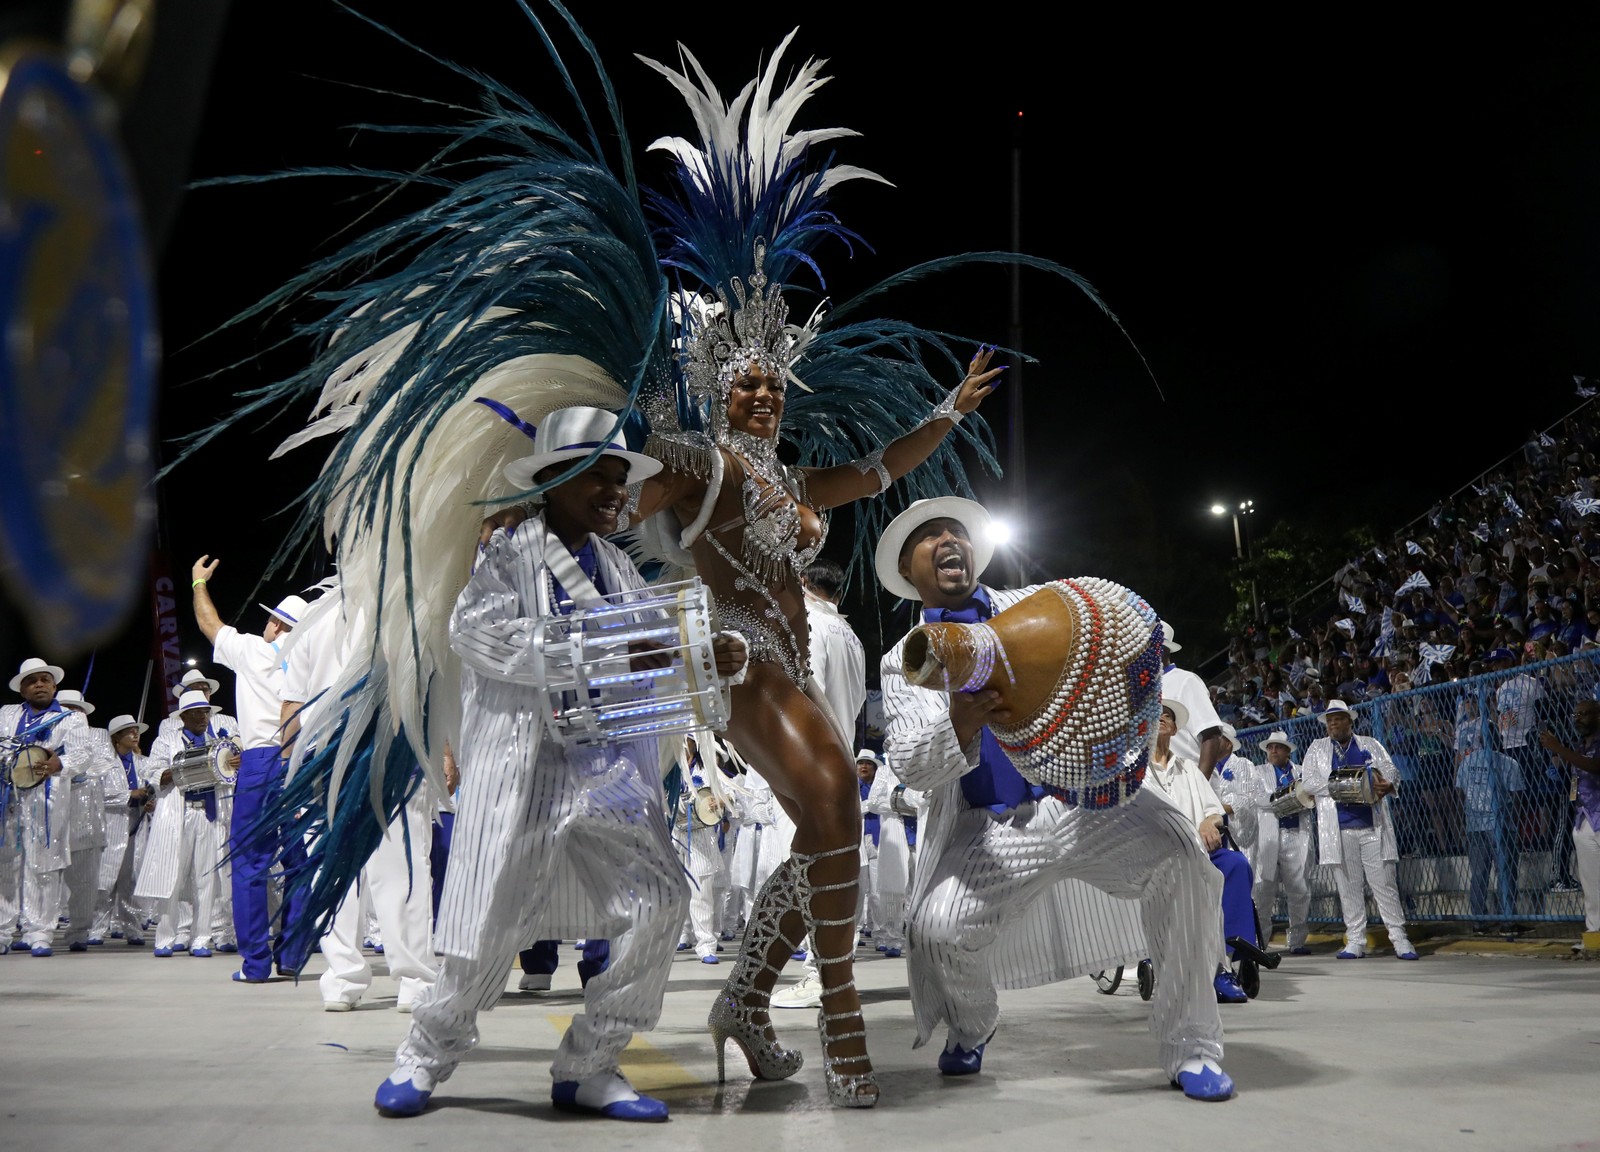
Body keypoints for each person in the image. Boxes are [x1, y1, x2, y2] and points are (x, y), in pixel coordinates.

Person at [629, 307, 1000, 1110]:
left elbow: (879, 470)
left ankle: (745, 1002)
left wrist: (948, 411)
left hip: (794, 669)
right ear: (717, 394)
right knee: (835, 804)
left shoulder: (789, 480)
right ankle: (840, 1017)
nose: (764, 394)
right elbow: (617, 502)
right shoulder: (702, 462)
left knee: (825, 832)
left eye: (772, 382)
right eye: (745, 383)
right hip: (737, 663)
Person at [378, 405, 746, 1121]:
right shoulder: (508, 554)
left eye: (619, 479)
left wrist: (711, 655)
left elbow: (657, 655)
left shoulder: (616, 565)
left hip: (608, 772)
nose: (614, 492)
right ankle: (425, 1054)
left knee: (663, 901)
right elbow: (482, 639)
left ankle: (591, 1063)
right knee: (487, 927)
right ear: (551, 481)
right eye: (597, 479)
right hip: (529, 772)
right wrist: (614, 649)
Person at [876, 498, 1234, 1101]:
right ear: (908, 572)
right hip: (995, 829)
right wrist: (960, 724)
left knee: (1183, 858)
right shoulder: (900, 662)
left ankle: (1192, 1045)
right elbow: (910, 764)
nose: (947, 541)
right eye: (929, 537)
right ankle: (973, 1024)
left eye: (955, 532)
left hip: (1089, 801)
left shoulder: (1040, 604)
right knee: (938, 930)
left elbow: (1126, 635)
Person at [189, 558, 307, 982]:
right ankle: (292, 954)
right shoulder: (313, 663)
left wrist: (199, 582)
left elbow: (209, 623)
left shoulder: (255, 651)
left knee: (251, 865)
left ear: (276, 624)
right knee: (300, 863)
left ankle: (256, 964)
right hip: (304, 763)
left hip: (261, 762)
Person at [1145, 701, 1257, 1004]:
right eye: (1156, 715)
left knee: (1235, 864)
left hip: (1197, 851)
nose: (1162, 719)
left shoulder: (1189, 770)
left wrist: (1210, 821)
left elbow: (1214, 810)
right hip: (1156, 856)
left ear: (1176, 729)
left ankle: (1222, 962)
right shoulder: (1136, 772)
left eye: (1168, 717)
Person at [1301, 699, 1417, 960]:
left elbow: (1390, 770)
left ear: (1349, 721)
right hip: (1339, 829)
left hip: (1372, 826)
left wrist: (1387, 784)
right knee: (1349, 887)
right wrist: (1341, 786)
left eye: (1338, 719)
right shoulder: (1317, 748)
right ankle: (1355, 941)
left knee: (1384, 885)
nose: (1333, 724)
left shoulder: (1370, 743)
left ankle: (1400, 939)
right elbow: (1308, 782)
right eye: (1329, 720)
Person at [136, 690, 237, 958]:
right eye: (198, 712)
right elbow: (150, 771)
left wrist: (230, 765)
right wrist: (181, 770)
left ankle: (201, 938)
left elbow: (230, 777)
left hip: (210, 815)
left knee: (207, 880)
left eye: (206, 712)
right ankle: (165, 937)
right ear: (184, 716)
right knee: (172, 876)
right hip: (178, 814)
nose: (204, 717)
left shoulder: (220, 743)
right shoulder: (168, 740)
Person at [1, 658, 89, 956]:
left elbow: (84, 755)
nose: (39, 684)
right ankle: (3, 930)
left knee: (44, 867)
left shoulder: (71, 718)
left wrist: (61, 763)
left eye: (45, 679)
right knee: (6, 866)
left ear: (54, 686)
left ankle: (40, 931)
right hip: (9, 798)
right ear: (22, 689)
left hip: (48, 799)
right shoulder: (6, 714)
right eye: (32, 680)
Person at [52, 690, 111, 952]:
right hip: (51, 814)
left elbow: (106, 764)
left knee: (84, 881)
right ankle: (37, 927)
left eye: (77, 709)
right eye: (66, 708)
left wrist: (76, 769)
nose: (73, 713)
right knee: (45, 877)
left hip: (87, 815)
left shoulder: (98, 735)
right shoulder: (47, 733)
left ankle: (79, 931)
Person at [1538, 699, 1600, 944]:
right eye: (1576, 714)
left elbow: (1596, 766)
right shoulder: (1579, 745)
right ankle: (1595, 932)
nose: (1578, 718)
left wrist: (1559, 749)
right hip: (1583, 819)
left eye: (1585, 714)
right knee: (1591, 882)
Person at [1248, 731, 1314, 954]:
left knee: (1299, 890)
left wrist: (1293, 798)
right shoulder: (1258, 773)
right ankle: (1260, 942)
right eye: (1270, 747)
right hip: (1268, 836)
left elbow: (1311, 798)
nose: (1273, 751)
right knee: (1263, 890)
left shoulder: (1302, 773)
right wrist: (1289, 798)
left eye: (1278, 747)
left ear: (1287, 751)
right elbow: (1257, 799)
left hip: (1295, 833)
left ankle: (1297, 941)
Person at [93, 714, 152, 947]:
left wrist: (150, 800)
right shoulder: (103, 764)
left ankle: (132, 927)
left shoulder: (144, 763)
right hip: (111, 825)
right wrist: (128, 795)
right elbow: (98, 795)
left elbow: (153, 788)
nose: (135, 735)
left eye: (136, 731)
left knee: (132, 879)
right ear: (117, 736)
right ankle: (96, 928)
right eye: (129, 731)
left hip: (137, 826)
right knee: (104, 880)